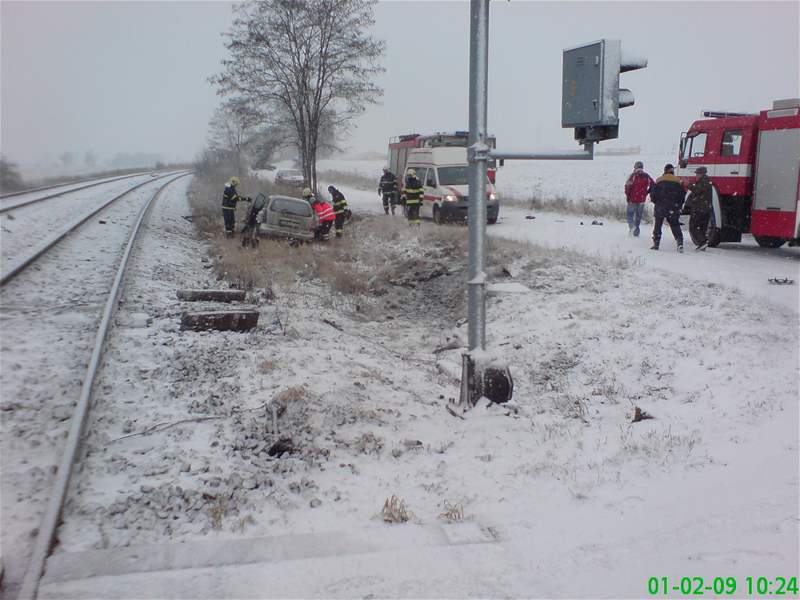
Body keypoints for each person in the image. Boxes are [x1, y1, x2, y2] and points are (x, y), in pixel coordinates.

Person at [649, 164, 685, 253]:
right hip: (673, 207)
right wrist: (678, 206)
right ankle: (679, 242)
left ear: (664, 171)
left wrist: (656, 202)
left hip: (660, 206)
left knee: (658, 225)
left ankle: (656, 243)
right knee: (675, 225)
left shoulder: (659, 180)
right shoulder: (678, 182)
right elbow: (682, 196)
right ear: (673, 171)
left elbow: (653, 195)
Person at [685, 166, 713, 251]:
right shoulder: (707, 182)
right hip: (706, 209)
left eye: (697, 174)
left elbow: (697, 191)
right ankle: (703, 243)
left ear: (701, 174)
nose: (696, 175)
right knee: (702, 227)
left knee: (693, 227)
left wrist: (688, 185)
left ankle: (702, 242)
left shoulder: (703, 182)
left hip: (699, 208)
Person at [624, 161, 654, 237]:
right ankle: (636, 232)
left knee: (629, 214)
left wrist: (628, 196)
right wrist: (646, 192)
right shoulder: (646, 176)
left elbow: (627, 187)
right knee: (638, 216)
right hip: (641, 200)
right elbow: (653, 185)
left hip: (632, 199)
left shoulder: (632, 176)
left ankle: (632, 227)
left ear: (635, 167)